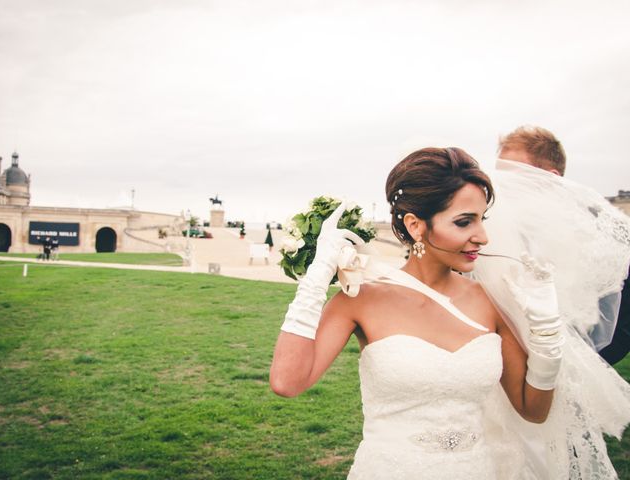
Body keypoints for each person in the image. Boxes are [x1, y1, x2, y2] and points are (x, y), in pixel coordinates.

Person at [270, 148, 567, 479]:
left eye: (482, 219)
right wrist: (315, 279)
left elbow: (533, 410)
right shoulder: (360, 299)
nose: (482, 236)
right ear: (415, 225)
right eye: (464, 221)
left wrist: (546, 336)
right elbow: (287, 382)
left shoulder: (492, 301)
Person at [496, 125, 630, 365]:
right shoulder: (492, 230)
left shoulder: (599, 235)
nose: (502, 185)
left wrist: (578, 371)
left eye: (513, 174)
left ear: (551, 178)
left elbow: (622, 325)